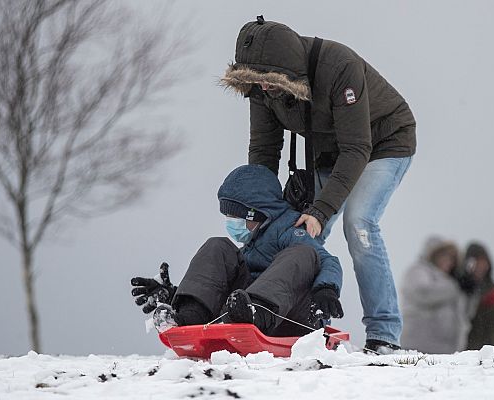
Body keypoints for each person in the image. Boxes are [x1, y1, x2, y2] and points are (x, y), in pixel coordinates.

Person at [220, 16, 416, 353]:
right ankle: (284, 320)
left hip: (383, 144)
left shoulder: (340, 67)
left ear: (286, 69)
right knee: (295, 235)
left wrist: (321, 210)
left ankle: (384, 335)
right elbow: (265, 150)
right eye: (257, 83)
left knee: (359, 223)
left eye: (269, 82)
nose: (264, 89)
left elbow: (358, 148)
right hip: (329, 152)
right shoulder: (262, 85)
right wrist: (260, 211)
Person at [130, 164, 344, 337]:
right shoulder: (251, 243)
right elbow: (224, 283)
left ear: (258, 214)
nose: (232, 223)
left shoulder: (290, 229)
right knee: (218, 246)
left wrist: (326, 289)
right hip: (241, 311)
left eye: (237, 217)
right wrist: (176, 294)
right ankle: (189, 315)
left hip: (294, 317)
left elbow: (328, 261)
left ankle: (254, 313)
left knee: (302, 254)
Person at [400, 237, 478, 354]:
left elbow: (466, 313)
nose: (448, 261)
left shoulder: (451, 280)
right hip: (417, 345)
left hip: (447, 349)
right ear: (434, 255)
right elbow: (423, 293)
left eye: (452, 258)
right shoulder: (419, 270)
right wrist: (457, 287)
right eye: (444, 255)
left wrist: (470, 293)